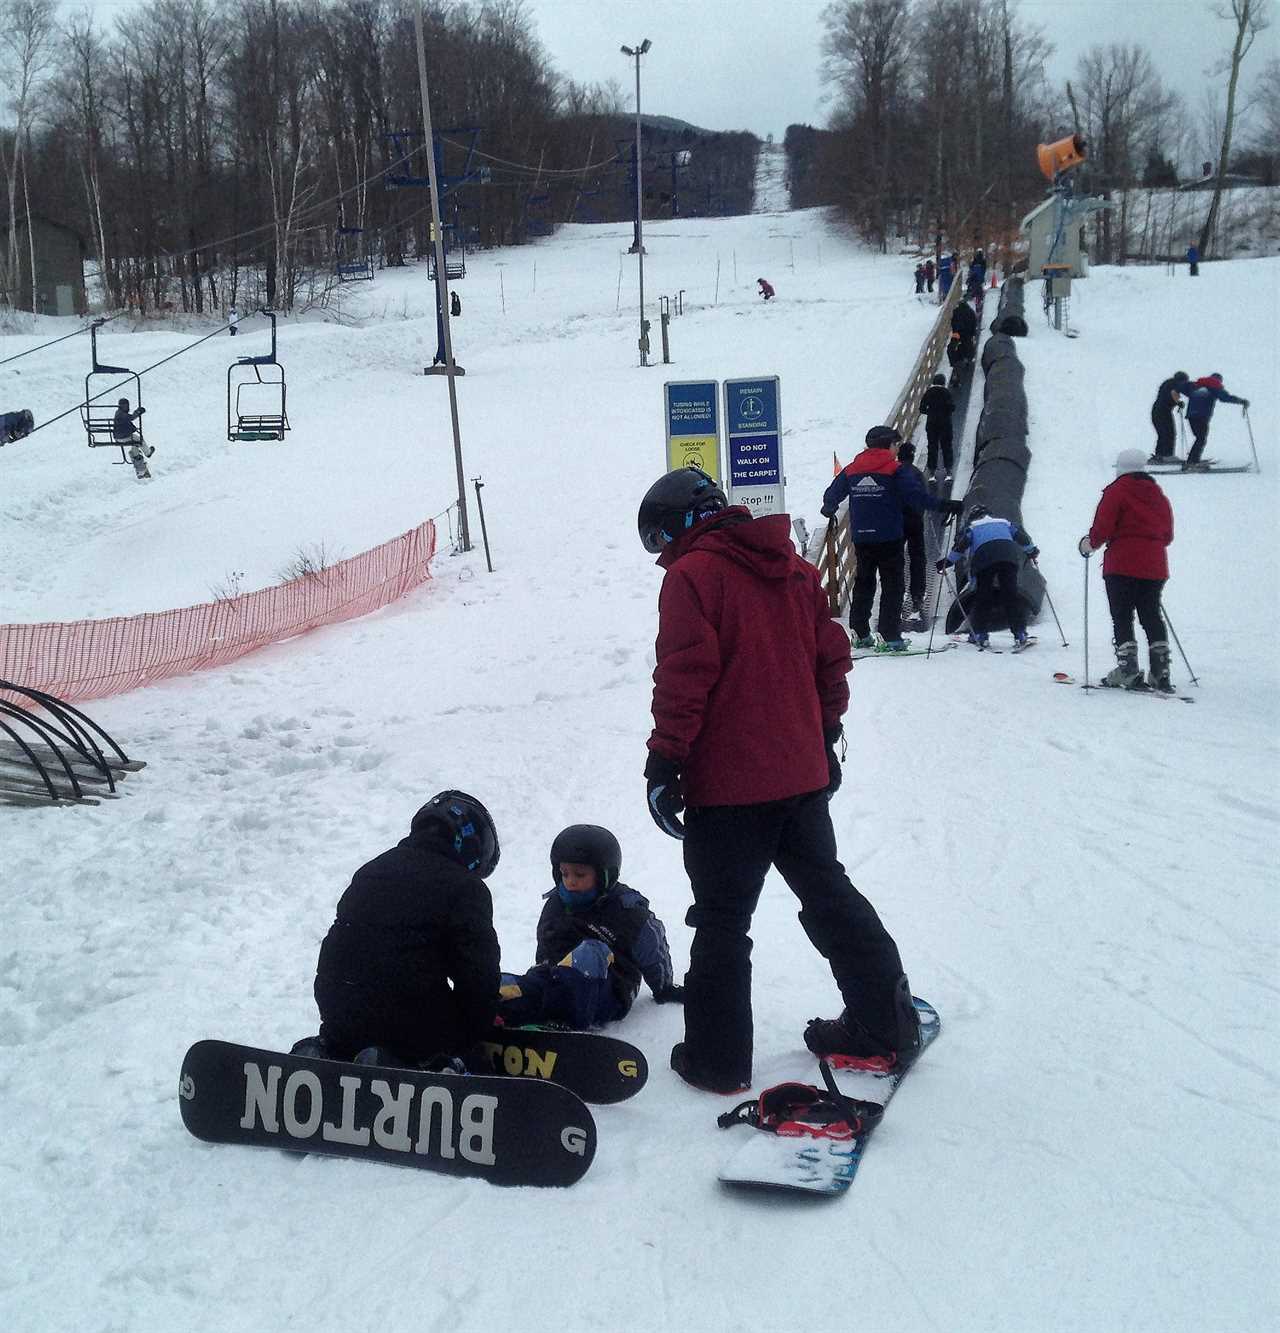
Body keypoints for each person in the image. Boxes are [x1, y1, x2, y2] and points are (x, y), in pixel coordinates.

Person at [636, 466, 923, 1093]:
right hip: (798, 777)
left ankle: (717, 1059)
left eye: (658, 541)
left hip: (731, 788)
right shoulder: (794, 569)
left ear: (682, 524)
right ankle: (883, 1021)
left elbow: (686, 676)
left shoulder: (693, 576)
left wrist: (665, 761)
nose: (660, 558)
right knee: (828, 892)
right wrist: (820, 736)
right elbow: (831, 661)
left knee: (721, 920)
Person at [291, 791, 501, 1070]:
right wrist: (475, 1032)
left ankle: (327, 1052)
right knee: (474, 1057)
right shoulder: (466, 889)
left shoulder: (371, 870)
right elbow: (478, 978)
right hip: (408, 1025)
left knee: (368, 1010)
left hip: (337, 1015)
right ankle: (402, 1063)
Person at [498, 824, 680, 1029]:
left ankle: (563, 1024)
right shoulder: (556, 903)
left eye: (579, 875)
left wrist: (663, 988)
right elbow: (546, 948)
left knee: (591, 951)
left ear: (605, 875)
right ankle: (489, 1015)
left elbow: (653, 950)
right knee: (504, 984)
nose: (570, 882)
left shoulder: (628, 911)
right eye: (564, 874)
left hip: (607, 990)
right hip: (558, 982)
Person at [821, 425, 961, 650]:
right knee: (892, 586)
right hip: (889, 536)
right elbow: (917, 497)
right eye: (896, 445)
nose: (897, 450)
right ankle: (890, 636)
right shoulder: (896, 469)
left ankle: (860, 632)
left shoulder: (852, 469)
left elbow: (832, 493)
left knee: (864, 583)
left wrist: (829, 507)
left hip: (862, 537)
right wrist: (946, 505)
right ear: (889, 445)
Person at [1079, 449, 1175, 691]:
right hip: (1154, 565)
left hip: (1122, 564)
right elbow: (1167, 534)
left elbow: (1103, 527)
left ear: (1121, 468)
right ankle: (1160, 672)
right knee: (1151, 614)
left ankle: (1128, 671)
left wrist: (1088, 544)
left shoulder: (1116, 491)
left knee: (1122, 615)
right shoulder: (1158, 495)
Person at [937, 504, 1039, 648]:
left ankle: (980, 634)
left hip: (984, 557)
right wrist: (1032, 551)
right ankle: (1020, 634)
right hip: (1009, 556)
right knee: (1011, 595)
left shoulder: (973, 527)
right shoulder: (1004, 523)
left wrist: (947, 562)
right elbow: (1022, 538)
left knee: (983, 596)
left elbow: (960, 547)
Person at [1183, 372, 1248, 470]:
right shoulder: (1214, 386)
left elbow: (1182, 388)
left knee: (1199, 438)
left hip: (1191, 416)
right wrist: (1241, 401)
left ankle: (1192, 460)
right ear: (1219, 380)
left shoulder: (1195, 386)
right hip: (1202, 416)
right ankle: (1192, 463)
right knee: (1201, 439)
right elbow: (1225, 398)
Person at [896, 441, 928, 623]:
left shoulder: (893, 472)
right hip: (915, 521)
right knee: (917, 558)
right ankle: (917, 595)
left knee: (897, 559)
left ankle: (897, 595)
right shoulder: (917, 473)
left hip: (896, 522)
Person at [919, 372, 956, 479]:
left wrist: (930, 412)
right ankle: (948, 471)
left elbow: (922, 409)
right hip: (945, 424)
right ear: (943, 382)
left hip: (931, 424)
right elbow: (952, 407)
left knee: (932, 447)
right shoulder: (946, 392)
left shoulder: (928, 393)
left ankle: (932, 472)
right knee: (946, 446)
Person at [1149, 370, 1190, 464]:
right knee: (1169, 433)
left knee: (1162, 433)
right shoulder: (1174, 384)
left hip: (1157, 411)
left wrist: (1177, 403)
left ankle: (1160, 455)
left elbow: (1170, 394)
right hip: (1163, 412)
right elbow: (1173, 393)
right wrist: (1179, 403)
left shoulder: (1167, 383)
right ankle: (1167, 455)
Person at [112, 397, 153, 481]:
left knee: (135, 446)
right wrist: (138, 412)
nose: (126, 407)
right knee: (139, 440)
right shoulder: (121, 414)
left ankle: (141, 470)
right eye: (125, 405)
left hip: (119, 437)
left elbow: (127, 421)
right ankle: (148, 452)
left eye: (127, 405)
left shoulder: (119, 413)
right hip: (124, 437)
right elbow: (131, 418)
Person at [948, 296, 978, 370]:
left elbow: (953, 322)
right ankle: (968, 359)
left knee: (952, 348)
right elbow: (974, 322)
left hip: (958, 333)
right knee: (968, 346)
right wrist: (973, 333)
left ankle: (954, 362)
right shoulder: (971, 312)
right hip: (968, 334)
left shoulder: (956, 311)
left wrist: (955, 331)